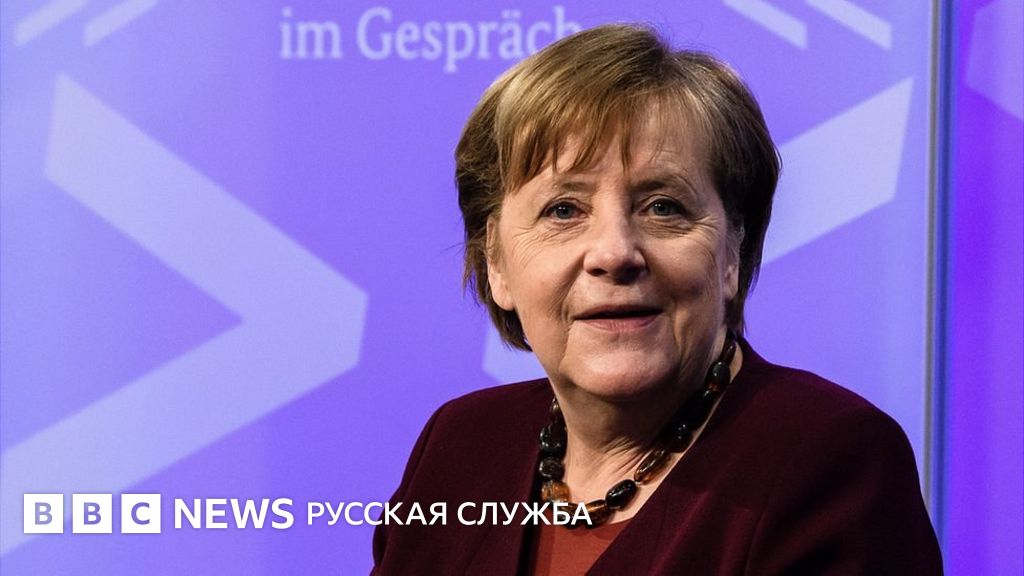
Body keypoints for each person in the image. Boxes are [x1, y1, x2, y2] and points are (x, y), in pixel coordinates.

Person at [372, 24, 942, 575]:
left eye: (663, 207)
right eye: (564, 210)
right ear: (496, 261)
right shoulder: (460, 445)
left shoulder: (830, 460)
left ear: (732, 251)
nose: (615, 253)